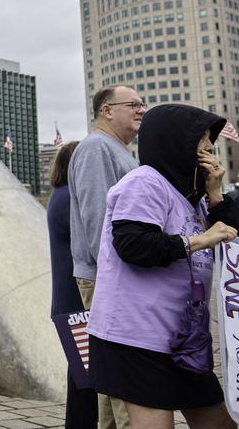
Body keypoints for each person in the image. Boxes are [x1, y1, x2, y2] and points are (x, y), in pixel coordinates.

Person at [87, 104, 238, 427]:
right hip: (136, 335)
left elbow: (233, 240)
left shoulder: (191, 195)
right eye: (201, 139)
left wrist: (215, 196)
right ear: (176, 141)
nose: (210, 147)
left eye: (210, 140)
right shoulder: (144, 183)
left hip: (183, 337)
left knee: (218, 422)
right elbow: (134, 245)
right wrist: (200, 240)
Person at [68, 85, 145, 428]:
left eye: (142, 104)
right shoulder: (97, 147)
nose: (142, 110)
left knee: (112, 377)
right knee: (125, 378)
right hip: (108, 276)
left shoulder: (115, 149)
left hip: (111, 275)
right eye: (133, 104)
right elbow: (98, 217)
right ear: (107, 111)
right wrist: (119, 275)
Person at [46, 141, 97, 427]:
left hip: (70, 301)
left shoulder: (60, 194)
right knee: (85, 380)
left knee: (82, 376)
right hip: (76, 302)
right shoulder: (68, 197)